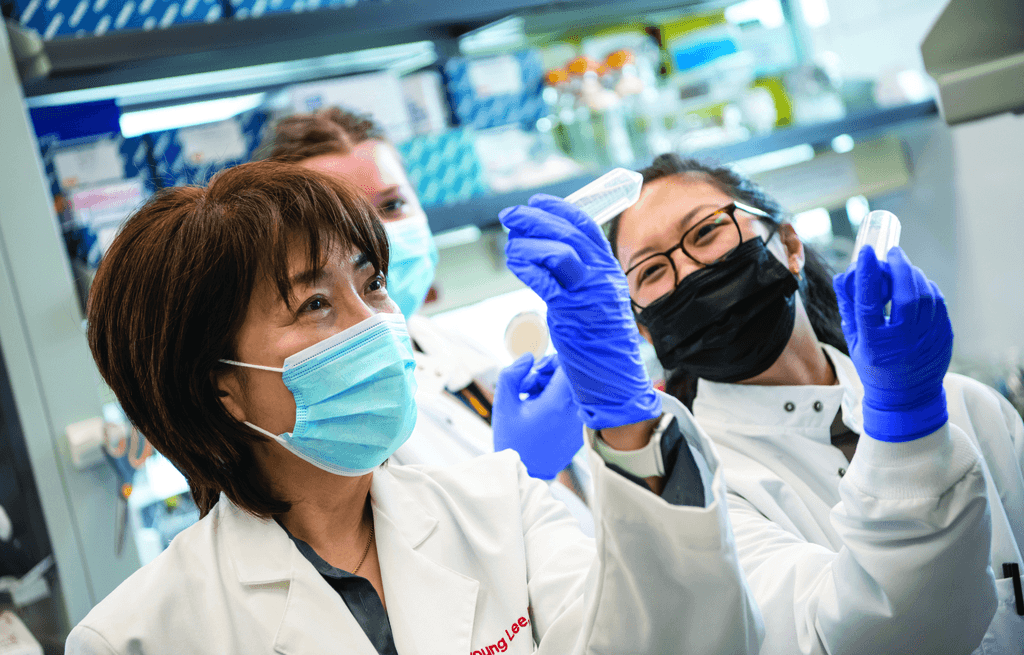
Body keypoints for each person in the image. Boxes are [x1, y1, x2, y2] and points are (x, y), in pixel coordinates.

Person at [66, 161, 763, 654]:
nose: (374, 321)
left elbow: (685, 641)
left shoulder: (500, 503)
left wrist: (628, 423)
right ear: (217, 385)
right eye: (314, 303)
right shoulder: (137, 636)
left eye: (371, 284)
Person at [499, 152, 1021, 654]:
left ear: (789, 245)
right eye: (652, 271)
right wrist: (907, 428)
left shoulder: (963, 405)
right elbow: (871, 637)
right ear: (642, 329)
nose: (690, 272)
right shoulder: (700, 496)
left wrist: (915, 408)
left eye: (705, 233)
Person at [260, 109, 592, 525]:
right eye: (344, 221)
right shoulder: (337, 412)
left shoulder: (451, 344)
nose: (378, 235)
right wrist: (525, 475)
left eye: (393, 205)